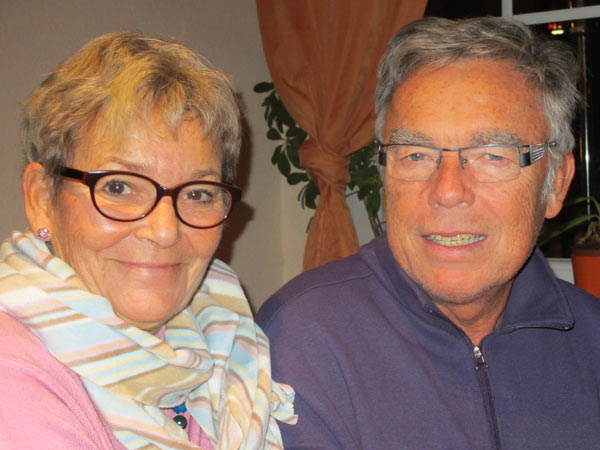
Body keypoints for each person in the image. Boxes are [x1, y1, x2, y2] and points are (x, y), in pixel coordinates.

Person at [257, 16, 600, 449]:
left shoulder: (592, 340)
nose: (448, 191)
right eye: (416, 155)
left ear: (556, 183)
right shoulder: (301, 339)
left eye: (492, 155)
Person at [0, 31, 295, 449]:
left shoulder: (227, 334)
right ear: (43, 199)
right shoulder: (12, 373)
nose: (164, 230)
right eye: (119, 187)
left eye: (198, 194)